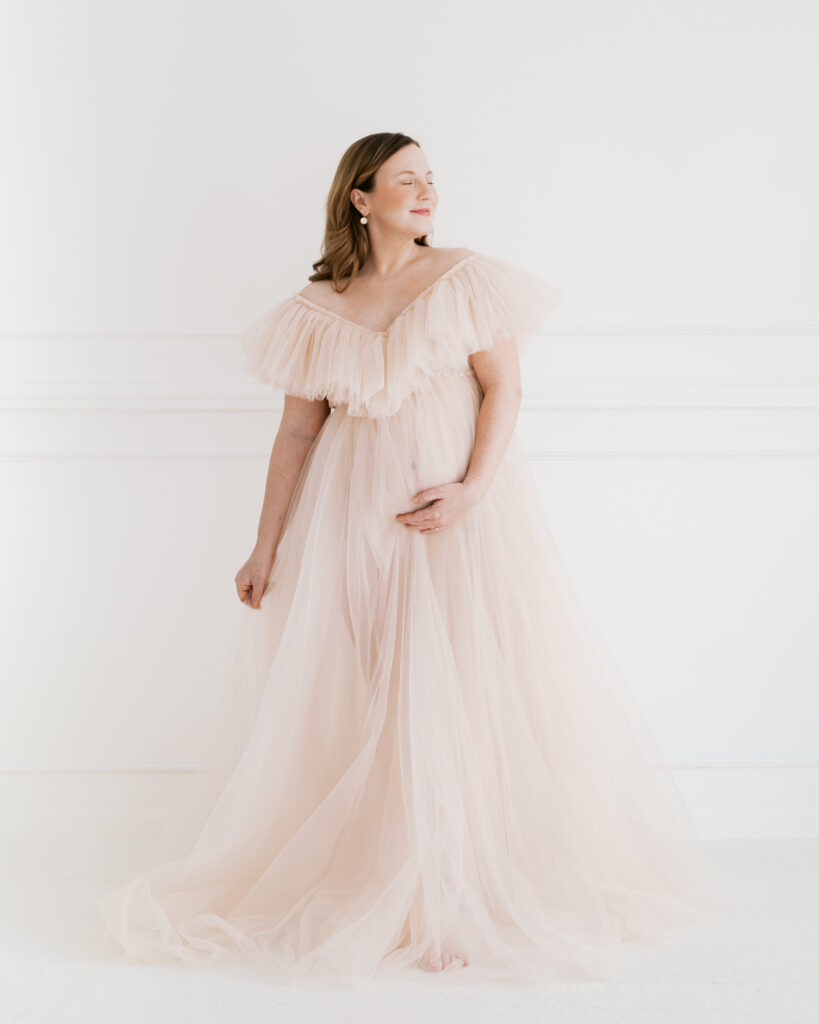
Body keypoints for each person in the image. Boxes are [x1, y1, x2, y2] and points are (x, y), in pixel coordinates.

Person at [96, 132, 719, 988]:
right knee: (373, 699)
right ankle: (388, 880)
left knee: (456, 695)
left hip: (453, 520)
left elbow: (503, 387)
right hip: (351, 519)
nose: (426, 192)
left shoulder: (462, 278)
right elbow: (297, 432)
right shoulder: (319, 306)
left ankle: (448, 899)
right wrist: (265, 544)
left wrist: (471, 489)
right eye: (405, 180)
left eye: (431, 179)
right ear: (360, 198)